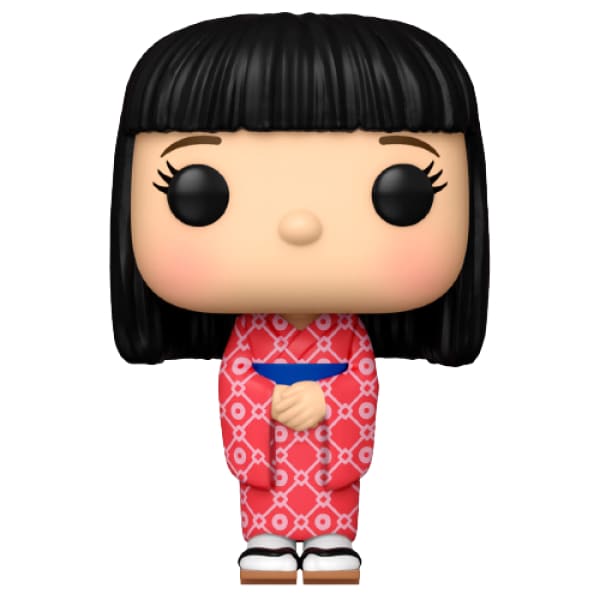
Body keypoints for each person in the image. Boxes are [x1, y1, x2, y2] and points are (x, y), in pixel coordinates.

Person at [110, 12, 489, 585]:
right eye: (199, 191)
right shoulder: (249, 336)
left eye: (402, 191)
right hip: (267, 429)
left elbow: (362, 382)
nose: (300, 225)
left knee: (331, 502)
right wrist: (267, 400)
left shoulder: (348, 335)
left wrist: (328, 399)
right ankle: (265, 539)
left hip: (330, 435)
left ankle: (333, 539)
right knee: (268, 501)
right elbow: (236, 381)